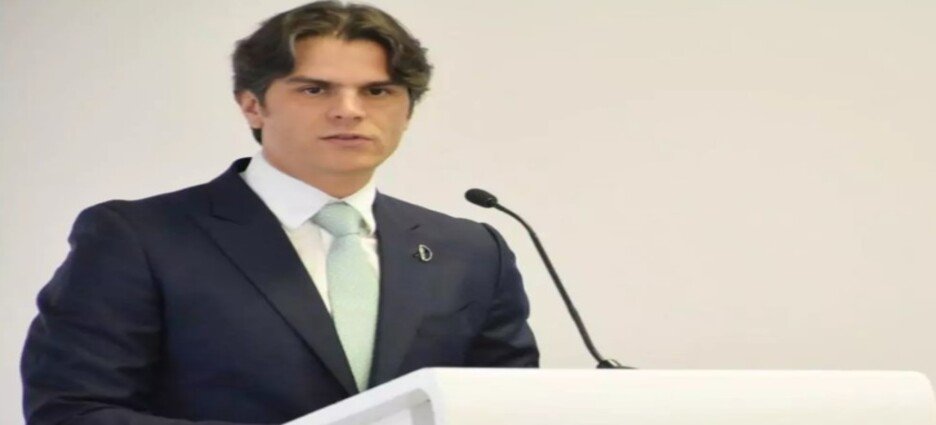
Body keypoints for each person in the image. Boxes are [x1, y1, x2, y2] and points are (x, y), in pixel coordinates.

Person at [20, 2, 539, 424]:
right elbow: (71, 411)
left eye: (377, 91)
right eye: (315, 89)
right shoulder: (139, 239)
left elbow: (511, 408)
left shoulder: (471, 251)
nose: (350, 110)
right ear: (252, 105)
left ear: (407, 110)